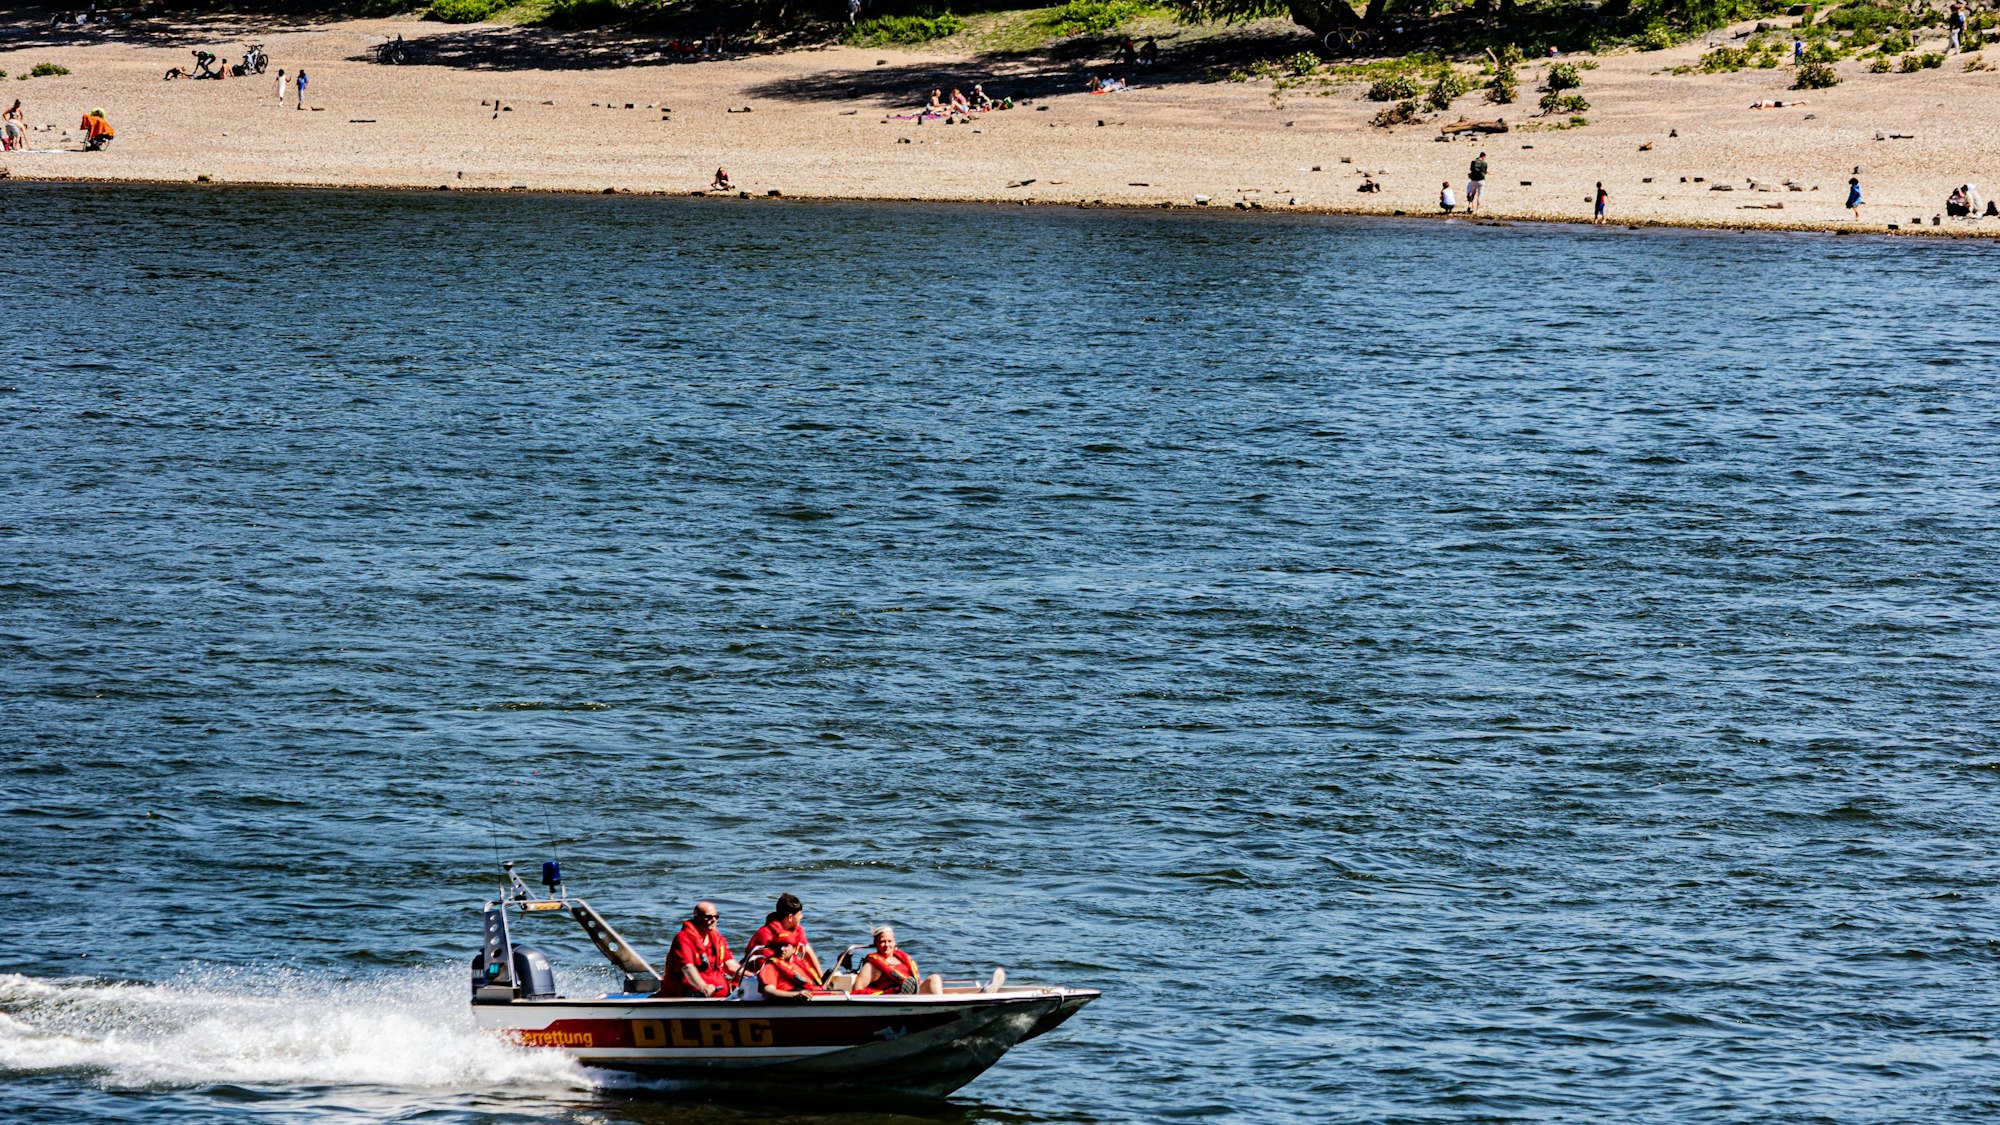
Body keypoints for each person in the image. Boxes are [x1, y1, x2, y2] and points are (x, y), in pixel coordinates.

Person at [660, 901, 739, 997]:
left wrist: (752, 976)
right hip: (688, 995)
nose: (713, 920)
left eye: (716, 917)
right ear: (697, 917)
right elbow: (687, 968)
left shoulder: (717, 938)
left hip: (719, 994)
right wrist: (703, 986)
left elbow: (730, 965)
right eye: (708, 917)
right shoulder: (683, 938)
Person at [748, 892, 824, 982]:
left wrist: (822, 980)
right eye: (799, 914)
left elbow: (809, 954)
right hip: (754, 980)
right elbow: (765, 968)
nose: (802, 917)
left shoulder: (795, 931)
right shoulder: (765, 934)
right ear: (790, 917)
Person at [852, 925, 943, 995]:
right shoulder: (872, 966)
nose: (887, 945)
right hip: (893, 999)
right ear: (875, 943)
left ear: (894, 942)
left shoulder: (901, 959)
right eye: (882, 941)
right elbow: (857, 990)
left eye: (889, 941)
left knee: (934, 978)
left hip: (912, 995)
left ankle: (941, 1006)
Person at [754, 932, 824, 1000]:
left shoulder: (800, 963)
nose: (781, 949)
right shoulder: (770, 967)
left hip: (817, 996)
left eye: (786, 945)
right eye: (779, 945)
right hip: (793, 1002)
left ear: (794, 949)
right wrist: (796, 994)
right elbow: (768, 991)